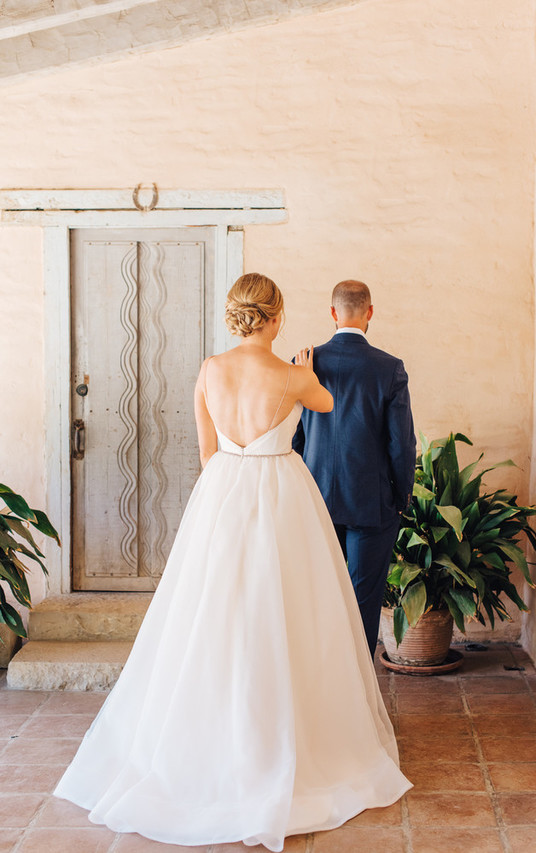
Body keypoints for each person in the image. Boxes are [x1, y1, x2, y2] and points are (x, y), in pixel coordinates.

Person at [54, 273, 411, 852]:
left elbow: (206, 450)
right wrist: (304, 371)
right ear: (276, 317)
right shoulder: (296, 375)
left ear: (236, 316)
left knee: (212, 613)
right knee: (288, 609)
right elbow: (326, 403)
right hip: (281, 493)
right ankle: (288, 732)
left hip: (222, 492)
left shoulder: (209, 370)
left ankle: (206, 735)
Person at [293, 279, 416, 658]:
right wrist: (402, 496)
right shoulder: (389, 368)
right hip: (371, 504)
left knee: (317, 595)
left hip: (315, 501)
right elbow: (401, 444)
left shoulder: (305, 363)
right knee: (363, 599)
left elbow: (295, 438)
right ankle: (358, 683)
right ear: (370, 312)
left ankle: (319, 675)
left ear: (332, 312)